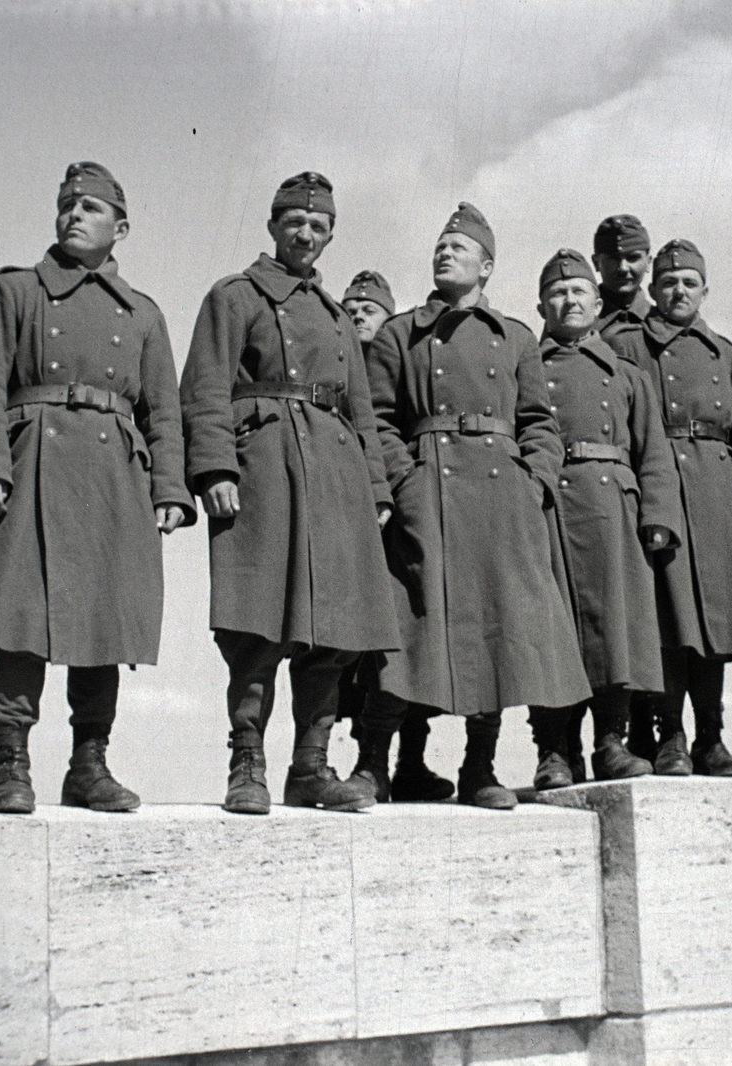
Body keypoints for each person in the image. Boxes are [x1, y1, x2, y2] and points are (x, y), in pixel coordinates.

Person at [0, 162, 194, 814]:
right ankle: (10, 763)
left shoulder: (142, 313)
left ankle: (89, 765)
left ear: (122, 227)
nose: (75, 214)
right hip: (31, 471)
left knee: (101, 625)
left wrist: (169, 488)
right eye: (67, 204)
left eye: (91, 207)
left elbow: (163, 412)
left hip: (114, 482)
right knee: (21, 618)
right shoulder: (15, 291)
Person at [180, 173, 401, 815]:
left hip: (337, 477)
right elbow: (206, 387)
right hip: (265, 469)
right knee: (257, 623)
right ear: (273, 226)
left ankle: (311, 767)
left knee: (334, 627)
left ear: (330, 235)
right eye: (295, 222)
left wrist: (376, 488)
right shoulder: (235, 296)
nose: (306, 234)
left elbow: (362, 412)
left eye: (319, 226)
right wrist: (215, 468)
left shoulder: (337, 317)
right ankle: (247, 763)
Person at [357, 203, 590, 810]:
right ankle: (372, 765)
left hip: (500, 498)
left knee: (497, 628)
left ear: (487, 265)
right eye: (439, 244)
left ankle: (479, 767)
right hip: (427, 490)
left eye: (458, 247)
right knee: (409, 626)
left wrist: (533, 481)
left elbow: (540, 422)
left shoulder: (514, 338)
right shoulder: (398, 333)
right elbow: (378, 421)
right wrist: (406, 479)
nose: (444, 252)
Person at [604, 238, 732, 777]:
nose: (678, 291)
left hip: (717, 487)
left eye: (689, 282)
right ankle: (670, 735)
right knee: (668, 618)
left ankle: (711, 738)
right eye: (669, 282)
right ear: (652, 288)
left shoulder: (723, 348)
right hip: (663, 478)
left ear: (704, 290)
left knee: (714, 621)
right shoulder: (627, 342)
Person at [527, 249, 682, 791]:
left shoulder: (627, 374)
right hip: (548, 507)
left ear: (597, 302)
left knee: (616, 628)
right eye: (557, 292)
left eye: (578, 292)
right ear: (542, 304)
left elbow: (655, 455)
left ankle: (610, 743)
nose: (569, 301)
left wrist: (657, 517)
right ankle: (554, 749)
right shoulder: (528, 368)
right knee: (551, 628)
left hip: (614, 508)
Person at [335, 268, 452, 802]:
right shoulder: (326, 369)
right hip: (345, 528)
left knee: (411, 643)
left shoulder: (400, 364)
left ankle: (409, 761)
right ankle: (359, 762)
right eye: (351, 308)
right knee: (346, 657)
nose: (359, 315)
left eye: (371, 310)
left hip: (399, 523)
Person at [590, 214, 652, 344]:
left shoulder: (661, 321)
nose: (623, 268)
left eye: (633, 258)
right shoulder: (580, 323)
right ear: (596, 263)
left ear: (648, 262)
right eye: (613, 258)